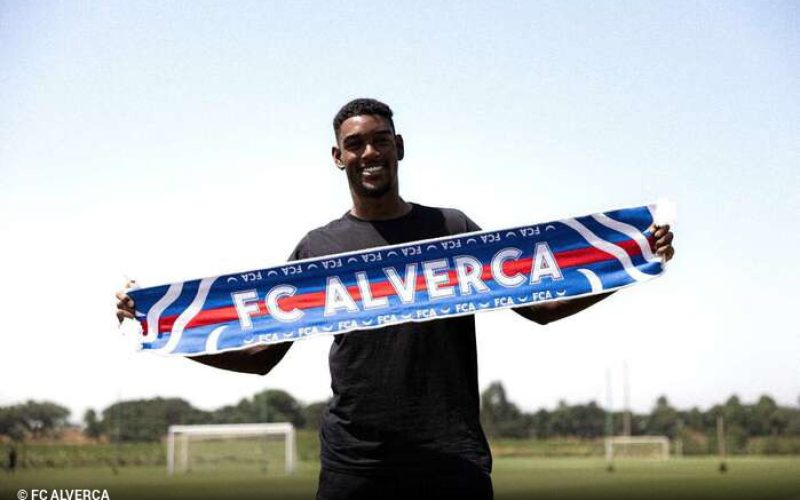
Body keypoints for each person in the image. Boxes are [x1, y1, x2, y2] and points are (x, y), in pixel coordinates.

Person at [116, 98, 675, 499]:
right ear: (338, 158)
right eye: (354, 144)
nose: (369, 152)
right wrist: (161, 332)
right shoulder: (319, 250)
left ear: (398, 147)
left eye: (380, 140)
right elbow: (261, 356)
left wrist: (632, 261)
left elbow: (542, 307)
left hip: (451, 458)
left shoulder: (454, 231)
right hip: (357, 463)